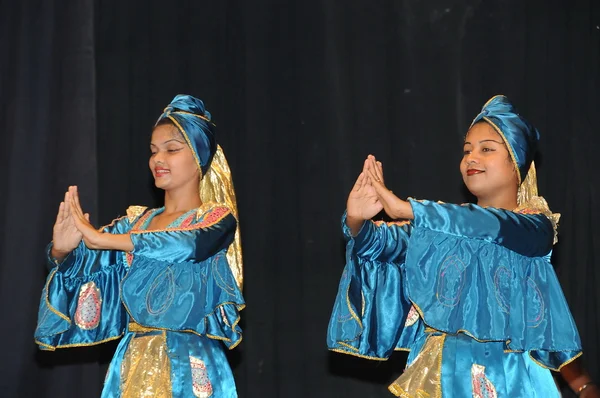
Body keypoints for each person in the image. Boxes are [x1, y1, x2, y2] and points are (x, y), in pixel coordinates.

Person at [327, 95, 589, 397]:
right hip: (441, 374)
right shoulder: (443, 230)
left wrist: (411, 209)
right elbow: (386, 244)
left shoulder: (533, 226)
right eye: (467, 151)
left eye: (487, 149)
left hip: (510, 377)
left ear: (517, 162)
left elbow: (492, 227)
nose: (471, 158)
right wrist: (358, 222)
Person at [34, 94, 245, 398]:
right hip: (132, 361)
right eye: (153, 151)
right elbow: (85, 266)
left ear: (200, 156)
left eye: (172, 149)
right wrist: (62, 250)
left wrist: (103, 238)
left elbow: (188, 245)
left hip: (191, 362)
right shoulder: (135, 222)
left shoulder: (215, 219)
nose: (158, 159)